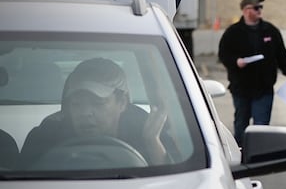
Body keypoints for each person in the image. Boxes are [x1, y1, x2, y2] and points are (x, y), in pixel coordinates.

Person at [19, 57, 174, 167]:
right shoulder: (47, 135)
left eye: (98, 103)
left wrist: (152, 141)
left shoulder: (146, 130)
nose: (85, 113)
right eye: (76, 103)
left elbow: (174, 187)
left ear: (122, 103)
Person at [218, 0, 286, 144]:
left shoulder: (270, 30)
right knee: (241, 123)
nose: (259, 10)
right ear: (246, 10)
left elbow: (281, 53)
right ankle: (241, 152)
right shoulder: (233, 32)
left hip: (264, 87)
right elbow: (223, 54)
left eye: (260, 7)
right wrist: (236, 61)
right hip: (241, 87)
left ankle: (259, 154)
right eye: (256, 7)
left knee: (261, 125)